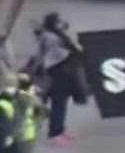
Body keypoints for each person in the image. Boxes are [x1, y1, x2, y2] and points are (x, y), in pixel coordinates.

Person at [31, 13, 87, 146]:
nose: (63, 23)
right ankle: (54, 135)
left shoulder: (57, 34)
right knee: (58, 104)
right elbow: (59, 55)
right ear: (55, 23)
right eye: (60, 21)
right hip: (57, 73)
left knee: (62, 104)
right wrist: (75, 49)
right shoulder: (51, 37)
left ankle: (60, 131)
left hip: (62, 72)